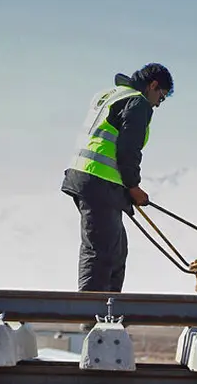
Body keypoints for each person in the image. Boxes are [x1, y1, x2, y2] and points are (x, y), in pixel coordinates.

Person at [61, 63, 174, 292]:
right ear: (153, 85)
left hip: (88, 177)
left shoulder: (110, 95)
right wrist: (133, 187)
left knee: (116, 249)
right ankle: (94, 319)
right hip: (99, 180)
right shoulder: (138, 102)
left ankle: (110, 313)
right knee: (101, 252)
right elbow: (128, 148)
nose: (158, 104)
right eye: (160, 97)